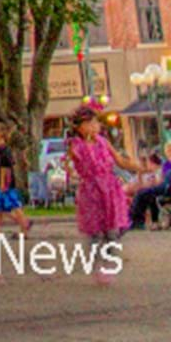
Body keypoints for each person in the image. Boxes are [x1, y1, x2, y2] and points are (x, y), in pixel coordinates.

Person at [66, 102, 144, 279]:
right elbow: (71, 163)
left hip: (109, 188)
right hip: (91, 190)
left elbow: (120, 161)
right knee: (95, 231)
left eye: (95, 123)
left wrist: (139, 167)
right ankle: (97, 264)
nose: (94, 127)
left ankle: (109, 262)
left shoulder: (103, 142)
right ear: (78, 127)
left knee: (113, 228)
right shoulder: (76, 145)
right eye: (88, 124)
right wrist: (71, 167)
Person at [0, 120, 32, 238]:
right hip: (1, 182)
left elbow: (5, 167)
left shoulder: (4, 150)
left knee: (15, 206)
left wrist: (3, 183)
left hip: (6, 184)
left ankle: (25, 229)